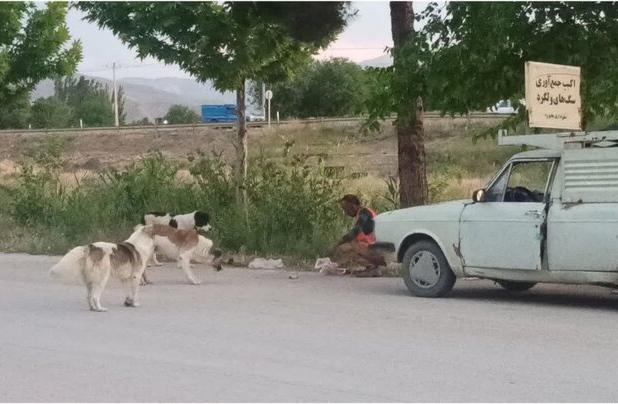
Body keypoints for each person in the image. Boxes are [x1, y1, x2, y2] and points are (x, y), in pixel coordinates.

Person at [328, 194, 386, 277]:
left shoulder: (364, 213)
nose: (345, 212)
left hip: (376, 248)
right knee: (348, 246)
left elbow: (354, 233)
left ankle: (373, 267)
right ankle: (369, 267)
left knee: (348, 246)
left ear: (353, 206)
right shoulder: (361, 213)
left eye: (346, 209)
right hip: (372, 247)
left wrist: (335, 245)